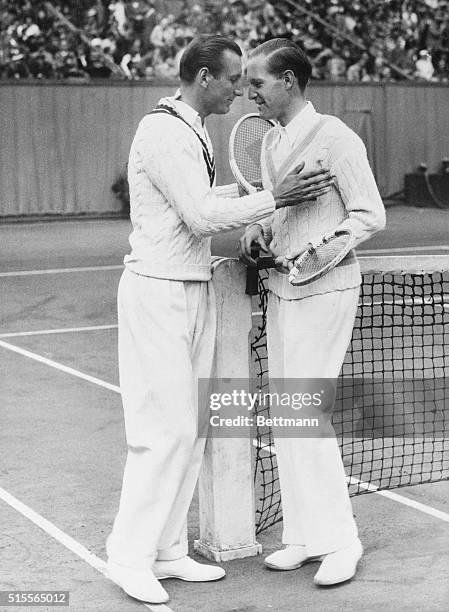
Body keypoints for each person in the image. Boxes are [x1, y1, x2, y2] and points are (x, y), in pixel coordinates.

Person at [106, 34, 334, 604]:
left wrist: (258, 193)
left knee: (194, 428)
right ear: (205, 78)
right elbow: (202, 214)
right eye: (234, 79)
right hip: (156, 294)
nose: (241, 89)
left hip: (192, 287)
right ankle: (128, 557)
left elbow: (201, 200)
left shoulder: (192, 129)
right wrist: (274, 198)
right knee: (164, 432)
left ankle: (166, 552)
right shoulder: (160, 130)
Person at [239, 38, 386, 586]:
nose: (249, 93)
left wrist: (317, 252)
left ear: (289, 83)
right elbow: (278, 214)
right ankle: (301, 536)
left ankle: (342, 541)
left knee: (305, 414)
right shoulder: (272, 142)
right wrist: (259, 231)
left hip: (326, 292)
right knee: (286, 415)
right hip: (282, 292)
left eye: (257, 83)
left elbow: (370, 214)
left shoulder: (338, 139)